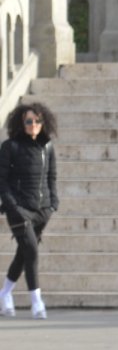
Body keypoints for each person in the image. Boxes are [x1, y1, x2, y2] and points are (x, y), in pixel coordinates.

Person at [0, 103, 59, 320]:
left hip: (42, 210)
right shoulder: (10, 146)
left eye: (37, 121)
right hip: (19, 210)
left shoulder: (48, 147)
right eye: (28, 121)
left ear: (43, 123)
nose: (33, 125)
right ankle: (37, 302)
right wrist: (12, 206)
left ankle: (4, 294)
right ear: (21, 123)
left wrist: (53, 203)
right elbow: (2, 181)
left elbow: (52, 177)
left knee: (23, 253)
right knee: (32, 252)